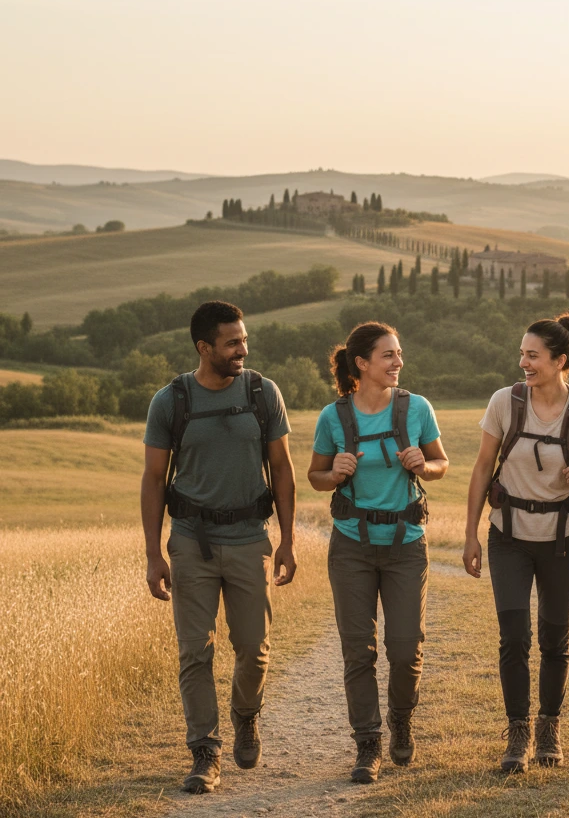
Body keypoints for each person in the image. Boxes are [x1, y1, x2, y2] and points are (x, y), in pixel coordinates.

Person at [142, 300, 297, 795]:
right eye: (232, 343)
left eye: (244, 340)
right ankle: (205, 751)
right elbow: (152, 479)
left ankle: (246, 716)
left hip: (252, 538)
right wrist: (153, 553)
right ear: (203, 347)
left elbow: (283, 469)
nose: (242, 350)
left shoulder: (262, 392)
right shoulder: (171, 401)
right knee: (195, 652)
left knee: (253, 648)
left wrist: (288, 540)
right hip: (191, 541)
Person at [463, 312, 569, 774]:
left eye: (533, 355)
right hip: (508, 536)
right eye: (522, 353)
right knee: (514, 638)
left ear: (560, 360)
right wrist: (470, 535)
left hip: (562, 540)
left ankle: (549, 727)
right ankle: (517, 732)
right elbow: (483, 468)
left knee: (555, 639)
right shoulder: (505, 402)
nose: (523, 362)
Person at [307, 321, 448, 784]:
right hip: (351, 545)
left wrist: (423, 466)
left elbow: (441, 463)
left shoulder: (416, 408)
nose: (398, 363)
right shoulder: (334, 417)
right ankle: (367, 743)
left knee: (406, 648)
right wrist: (336, 473)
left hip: (406, 544)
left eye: (399, 354)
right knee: (358, 650)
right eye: (388, 355)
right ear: (361, 363)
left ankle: (401, 720)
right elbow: (315, 475)